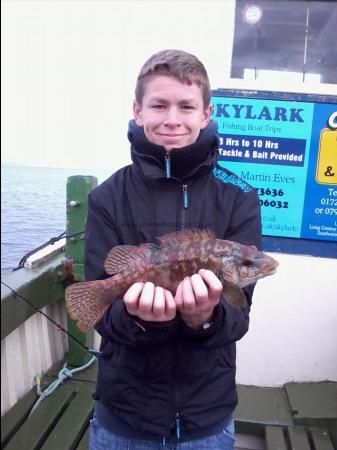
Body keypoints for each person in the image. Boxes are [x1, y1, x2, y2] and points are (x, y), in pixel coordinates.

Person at [85, 49, 262, 450]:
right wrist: (138, 319)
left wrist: (204, 319)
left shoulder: (239, 198)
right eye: (159, 105)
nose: (172, 119)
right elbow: (102, 318)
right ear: (137, 110)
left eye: (186, 106)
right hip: (123, 418)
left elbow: (238, 317)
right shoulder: (106, 199)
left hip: (207, 421)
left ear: (206, 113)